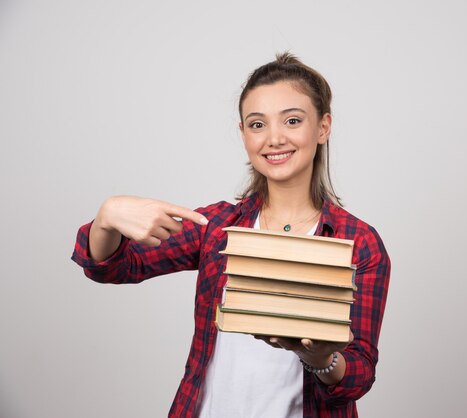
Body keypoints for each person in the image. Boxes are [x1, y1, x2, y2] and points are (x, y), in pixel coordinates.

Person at [71, 52, 391, 418]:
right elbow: (110, 268)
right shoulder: (217, 228)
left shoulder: (360, 243)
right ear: (243, 134)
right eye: (257, 125)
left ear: (323, 127)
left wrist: (321, 359)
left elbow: (359, 374)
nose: (274, 138)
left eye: (292, 120)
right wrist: (107, 217)